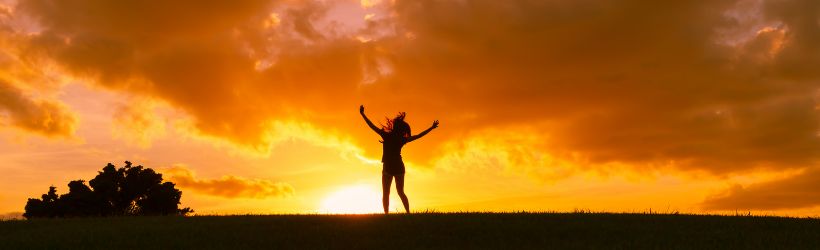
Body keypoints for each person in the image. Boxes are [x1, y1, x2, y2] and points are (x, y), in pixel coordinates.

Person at [359, 105, 438, 214]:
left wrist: (363, 114)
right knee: (400, 192)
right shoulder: (401, 139)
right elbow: (419, 135)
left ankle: (387, 215)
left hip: (388, 167)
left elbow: (371, 126)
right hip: (398, 166)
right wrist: (431, 128)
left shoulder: (386, 135)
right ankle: (408, 213)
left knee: (386, 193)